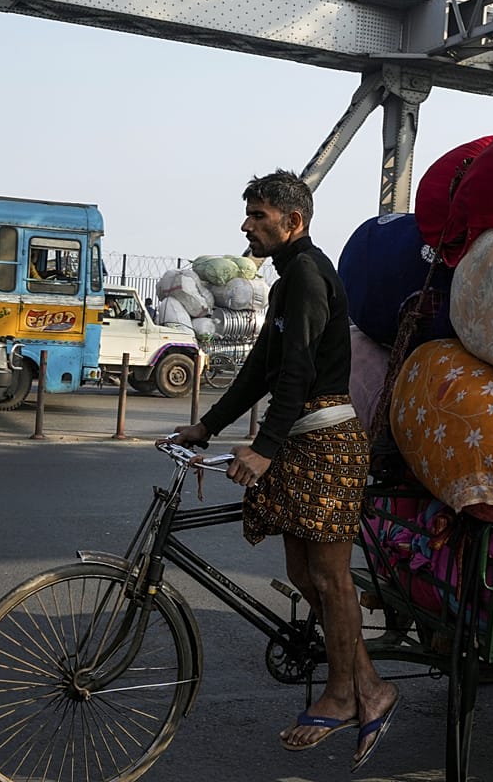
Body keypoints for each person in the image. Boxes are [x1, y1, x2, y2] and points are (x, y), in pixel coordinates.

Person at [166, 170, 398, 771]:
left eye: (259, 215)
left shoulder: (307, 277)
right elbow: (261, 370)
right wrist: (207, 426)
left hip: (325, 445)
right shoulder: (284, 284)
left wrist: (263, 448)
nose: (247, 226)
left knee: (330, 577)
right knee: (305, 573)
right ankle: (371, 687)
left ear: (292, 222)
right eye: (248, 214)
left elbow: (295, 372)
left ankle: (346, 694)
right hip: (301, 442)